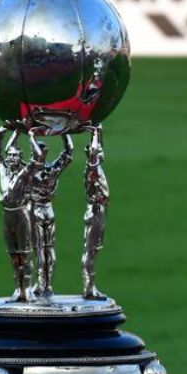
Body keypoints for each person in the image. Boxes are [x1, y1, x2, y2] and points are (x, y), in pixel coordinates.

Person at [0, 126, 43, 303]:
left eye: (15, 156)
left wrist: (31, 137)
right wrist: (2, 133)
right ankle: (17, 288)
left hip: (21, 214)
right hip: (7, 215)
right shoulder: (2, 171)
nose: (11, 158)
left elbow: (37, 158)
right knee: (13, 255)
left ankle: (27, 288)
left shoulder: (25, 173)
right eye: (10, 155)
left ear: (20, 158)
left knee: (25, 253)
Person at [26, 134, 73, 299]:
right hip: (49, 211)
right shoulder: (52, 170)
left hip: (37, 212)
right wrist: (64, 131)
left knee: (40, 250)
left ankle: (41, 284)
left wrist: (29, 135)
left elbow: (5, 156)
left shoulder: (29, 172)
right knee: (49, 249)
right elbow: (68, 151)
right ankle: (48, 285)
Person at [82, 126, 110, 301]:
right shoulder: (92, 170)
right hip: (95, 212)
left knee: (94, 251)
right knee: (90, 252)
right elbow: (94, 152)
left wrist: (98, 133)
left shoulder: (97, 168)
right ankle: (88, 288)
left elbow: (97, 150)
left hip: (99, 212)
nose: (100, 152)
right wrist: (94, 131)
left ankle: (90, 286)